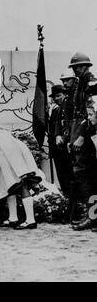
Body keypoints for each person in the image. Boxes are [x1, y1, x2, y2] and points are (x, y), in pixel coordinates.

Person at [0, 117, 41, 230]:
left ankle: (31, 220)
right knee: (11, 187)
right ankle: (13, 218)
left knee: (22, 187)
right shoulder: (3, 132)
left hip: (7, 160)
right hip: (19, 156)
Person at [67, 53, 97, 230]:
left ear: (86, 66)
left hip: (89, 133)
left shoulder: (92, 84)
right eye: (74, 67)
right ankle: (91, 216)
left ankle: (93, 218)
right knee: (83, 174)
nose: (76, 69)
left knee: (86, 174)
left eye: (78, 66)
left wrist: (82, 136)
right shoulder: (82, 83)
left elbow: (93, 114)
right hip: (81, 129)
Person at [48, 84, 73, 197]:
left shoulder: (70, 108)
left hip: (67, 149)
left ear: (65, 95)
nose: (56, 99)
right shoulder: (55, 111)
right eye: (55, 97)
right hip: (57, 151)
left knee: (71, 178)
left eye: (59, 96)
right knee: (62, 178)